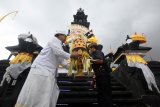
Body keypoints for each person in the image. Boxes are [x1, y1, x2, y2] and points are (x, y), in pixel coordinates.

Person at [15, 31, 79, 107]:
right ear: (60, 35)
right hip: (41, 69)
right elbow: (58, 52)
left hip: (47, 72)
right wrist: (72, 55)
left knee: (44, 94)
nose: (66, 38)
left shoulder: (59, 46)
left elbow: (62, 62)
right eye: (65, 36)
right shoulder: (54, 40)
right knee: (37, 93)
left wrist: (75, 67)